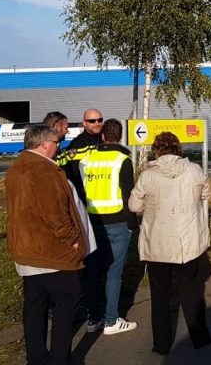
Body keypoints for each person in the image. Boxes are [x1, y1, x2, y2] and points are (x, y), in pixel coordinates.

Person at [6, 124, 88, 365]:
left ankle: (36, 358)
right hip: (51, 250)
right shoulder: (44, 170)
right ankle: (59, 358)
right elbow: (55, 213)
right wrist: (73, 240)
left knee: (35, 305)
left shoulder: (17, 167)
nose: (58, 146)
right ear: (42, 143)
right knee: (70, 298)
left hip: (25, 248)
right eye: (55, 142)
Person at [128, 132, 211, 354]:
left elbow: (134, 206)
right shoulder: (194, 170)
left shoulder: (148, 175)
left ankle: (162, 344)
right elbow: (206, 194)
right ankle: (200, 337)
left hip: (158, 242)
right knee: (192, 291)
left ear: (157, 150)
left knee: (160, 295)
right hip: (188, 241)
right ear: (178, 148)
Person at [80, 118, 138, 335]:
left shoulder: (87, 159)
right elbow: (128, 195)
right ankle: (112, 320)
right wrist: (132, 225)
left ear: (103, 136)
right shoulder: (122, 160)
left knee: (94, 271)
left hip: (93, 221)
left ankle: (94, 318)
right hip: (117, 221)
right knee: (114, 273)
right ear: (120, 137)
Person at [62, 108, 105, 203]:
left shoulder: (105, 140)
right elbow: (75, 175)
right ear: (84, 123)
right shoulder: (77, 144)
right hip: (87, 198)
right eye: (92, 121)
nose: (97, 123)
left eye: (100, 120)